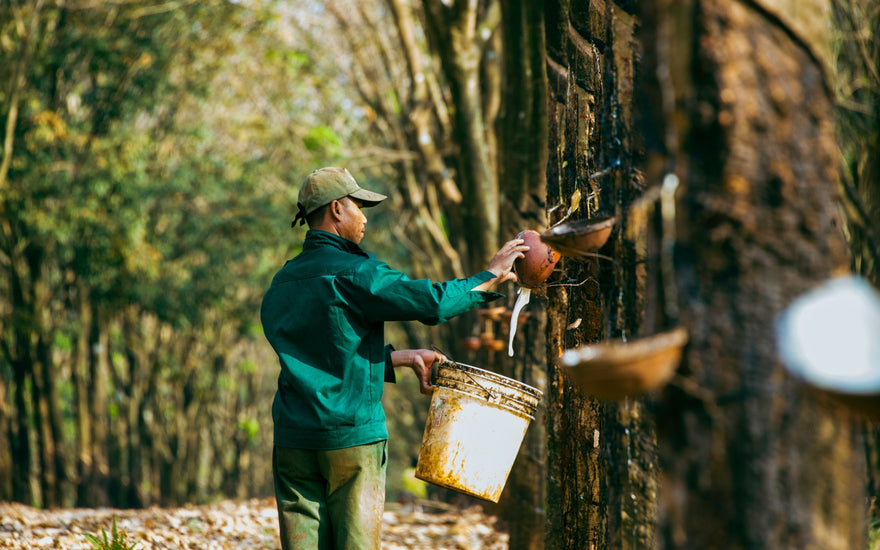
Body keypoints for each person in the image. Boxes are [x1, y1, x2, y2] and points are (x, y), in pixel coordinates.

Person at [260, 167, 529, 549]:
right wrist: (489, 276)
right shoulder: (357, 274)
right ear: (337, 209)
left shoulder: (280, 284)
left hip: (293, 442)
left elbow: (321, 355)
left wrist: (398, 358)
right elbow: (432, 303)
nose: (364, 216)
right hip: (351, 440)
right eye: (358, 206)